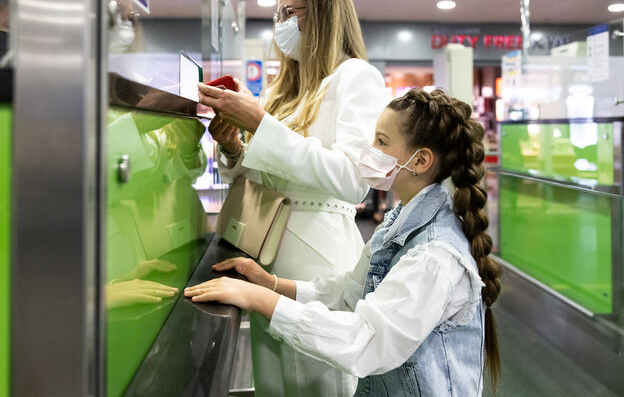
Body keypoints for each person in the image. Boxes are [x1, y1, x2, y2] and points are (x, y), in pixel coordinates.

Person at [185, 87, 503, 396]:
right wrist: (272, 284)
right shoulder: (398, 222)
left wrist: (260, 300)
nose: (369, 150)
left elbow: (366, 341)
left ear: (420, 161)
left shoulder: (434, 256)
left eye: (381, 142)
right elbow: (349, 293)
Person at [196, 0, 387, 397]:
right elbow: (262, 175)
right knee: (273, 383)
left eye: (289, 12)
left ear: (322, 16)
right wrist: (234, 148)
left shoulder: (356, 77)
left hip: (319, 257)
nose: (280, 23)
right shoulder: (281, 90)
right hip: (266, 255)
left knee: (319, 381)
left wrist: (261, 125)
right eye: (277, 14)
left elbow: (353, 179)